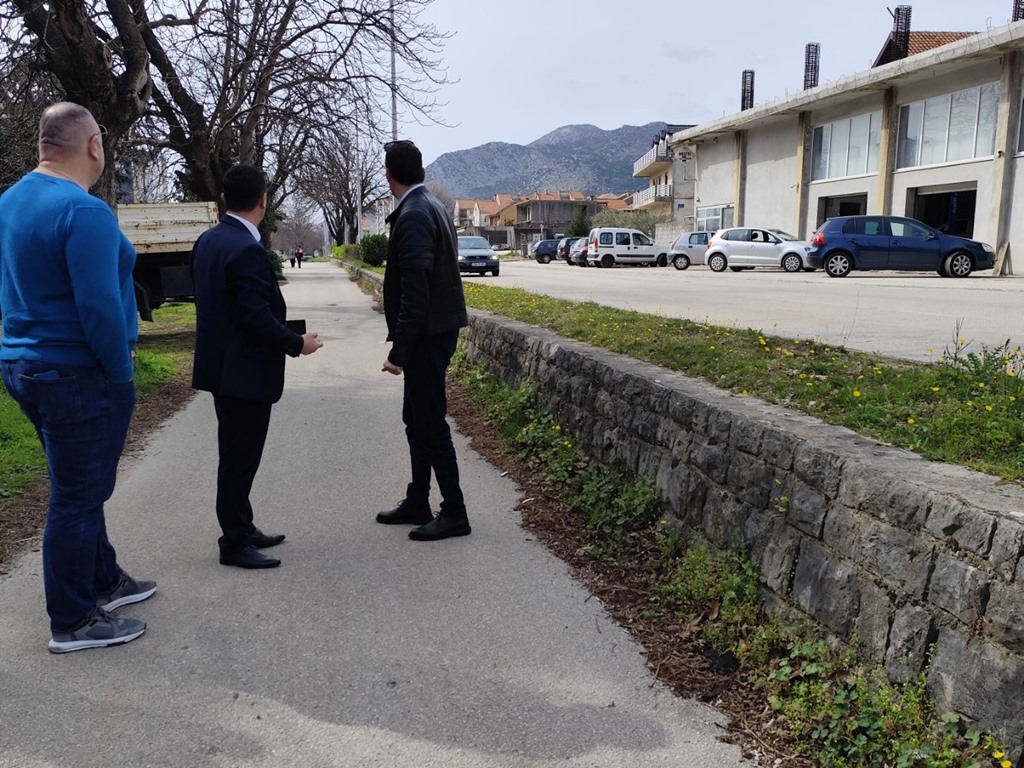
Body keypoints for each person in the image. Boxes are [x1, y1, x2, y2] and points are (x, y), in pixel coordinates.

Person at [0, 102, 156, 653]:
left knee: (79, 486)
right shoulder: (84, 210)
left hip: (23, 365)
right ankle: (72, 621)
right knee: (77, 497)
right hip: (76, 373)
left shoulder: (9, 202)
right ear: (93, 146)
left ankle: (103, 579)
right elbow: (98, 307)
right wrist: (120, 373)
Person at [191, 164, 323, 569]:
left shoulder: (208, 240)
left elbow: (225, 306)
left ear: (224, 199)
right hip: (244, 373)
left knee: (236, 453)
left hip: (222, 368)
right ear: (263, 201)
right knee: (239, 459)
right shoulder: (246, 248)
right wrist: (297, 344)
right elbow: (255, 316)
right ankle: (233, 542)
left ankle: (243, 526)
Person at [377, 139, 471, 541]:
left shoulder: (415, 213)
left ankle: (455, 512)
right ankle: (418, 499)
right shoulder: (431, 205)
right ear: (422, 172)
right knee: (415, 419)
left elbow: (416, 293)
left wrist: (399, 353)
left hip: (428, 337)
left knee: (430, 423)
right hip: (434, 332)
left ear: (388, 176)